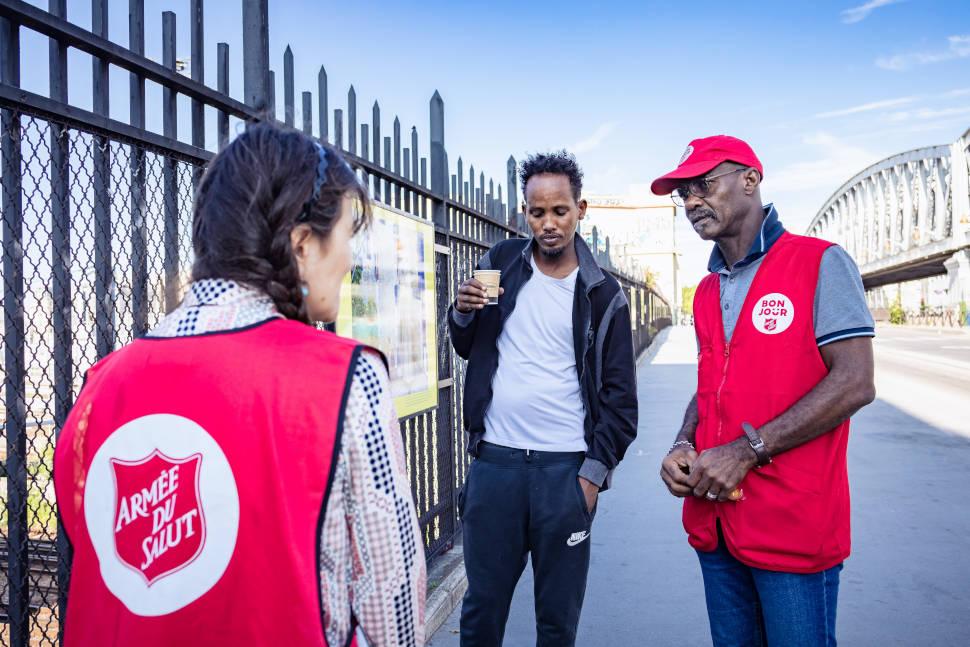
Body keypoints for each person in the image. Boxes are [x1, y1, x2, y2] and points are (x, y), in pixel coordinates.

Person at [53, 123, 425, 647]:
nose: (351, 260)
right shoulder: (345, 378)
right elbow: (391, 606)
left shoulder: (100, 387)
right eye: (346, 236)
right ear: (301, 243)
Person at [653, 135, 876, 647]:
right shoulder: (709, 288)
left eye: (704, 184)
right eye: (682, 192)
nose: (690, 201)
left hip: (792, 527)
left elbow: (855, 382)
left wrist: (748, 449)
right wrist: (682, 442)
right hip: (717, 524)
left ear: (750, 180)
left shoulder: (820, 261)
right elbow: (710, 383)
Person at [449, 151, 638, 647]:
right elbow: (467, 346)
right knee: (481, 612)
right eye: (537, 212)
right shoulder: (501, 264)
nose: (549, 224)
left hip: (564, 475)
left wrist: (590, 480)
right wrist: (463, 312)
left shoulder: (604, 293)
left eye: (560, 211)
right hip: (496, 467)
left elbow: (621, 402)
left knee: (557, 621)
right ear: (524, 212)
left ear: (581, 209)